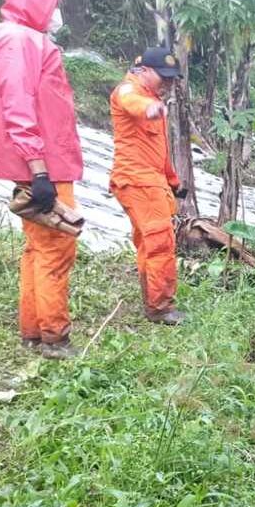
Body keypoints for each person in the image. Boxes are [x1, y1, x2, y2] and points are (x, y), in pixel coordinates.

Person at [0, 0, 83, 359]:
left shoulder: (10, 38)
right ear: (37, 1)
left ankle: (34, 331)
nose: (56, 13)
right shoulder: (22, 41)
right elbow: (18, 106)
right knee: (55, 248)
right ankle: (54, 337)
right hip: (46, 163)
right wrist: (39, 169)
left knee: (37, 248)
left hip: (42, 161)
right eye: (52, 3)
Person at [109, 46, 186, 325]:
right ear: (143, 70)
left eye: (171, 79)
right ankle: (160, 307)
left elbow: (159, 150)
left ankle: (153, 300)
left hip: (152, 181)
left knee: (149, 242)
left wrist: (173, 180)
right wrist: (150, 108)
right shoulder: (130, 91)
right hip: (137, 180)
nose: (168, 83)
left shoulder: (153, 99)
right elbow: (132, 102)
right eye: (163, 77)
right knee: (159, 241)